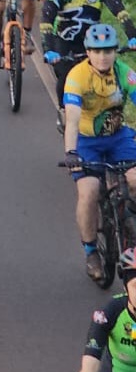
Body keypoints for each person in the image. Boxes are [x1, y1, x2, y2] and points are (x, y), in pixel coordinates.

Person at [63, 23, 136, 282]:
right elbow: (71, 119)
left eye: (108, 50)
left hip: (118, 138)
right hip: (86, 141)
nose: (103, 56)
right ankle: (91, 250)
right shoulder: (77, 76)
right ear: (88, 51)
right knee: (89, 191)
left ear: (116, 52)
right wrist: (71, 152)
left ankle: (129, 222)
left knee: (135, 180)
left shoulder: (125, 73)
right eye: (97, 51)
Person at [41, 0, 136, 128]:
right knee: (66, 78)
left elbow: (120, 11)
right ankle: (64, 111)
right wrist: (49, 49)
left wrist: (132, 35)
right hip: (65, 43)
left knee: (106, 73)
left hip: (93, 42)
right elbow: (46, 21)